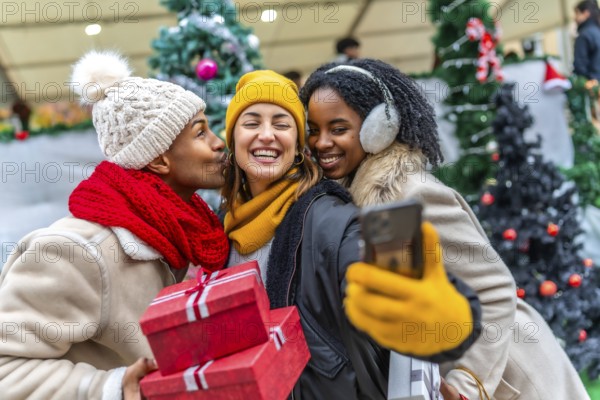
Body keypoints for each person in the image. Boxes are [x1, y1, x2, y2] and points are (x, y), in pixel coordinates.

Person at [300, 58, 590, 400]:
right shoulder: (349, 199)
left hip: (505, 377)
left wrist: (467, 384)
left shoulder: (410, 195)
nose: (321, 143)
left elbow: (495, 290)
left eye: (337, 129)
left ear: (377, 129)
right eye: (314, 130)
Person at [221, 70, 482, 398]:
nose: (267, 135)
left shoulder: (353, 212)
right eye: (251, 122)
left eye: (281, 124)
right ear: (232, 138)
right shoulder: (223, 225)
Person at [0, 51, 230, 399]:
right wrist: (113, 387)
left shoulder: (181, 232)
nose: (218, 143)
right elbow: (7, 370)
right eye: (200, 133)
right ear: (157, 159)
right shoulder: (75, 250)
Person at [574, 0, 600, 82]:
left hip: (592, 86)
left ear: (586, 13)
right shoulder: (597, 31)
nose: (575, 17)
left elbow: (580, 65)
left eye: (577, 13)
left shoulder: (584, 34)